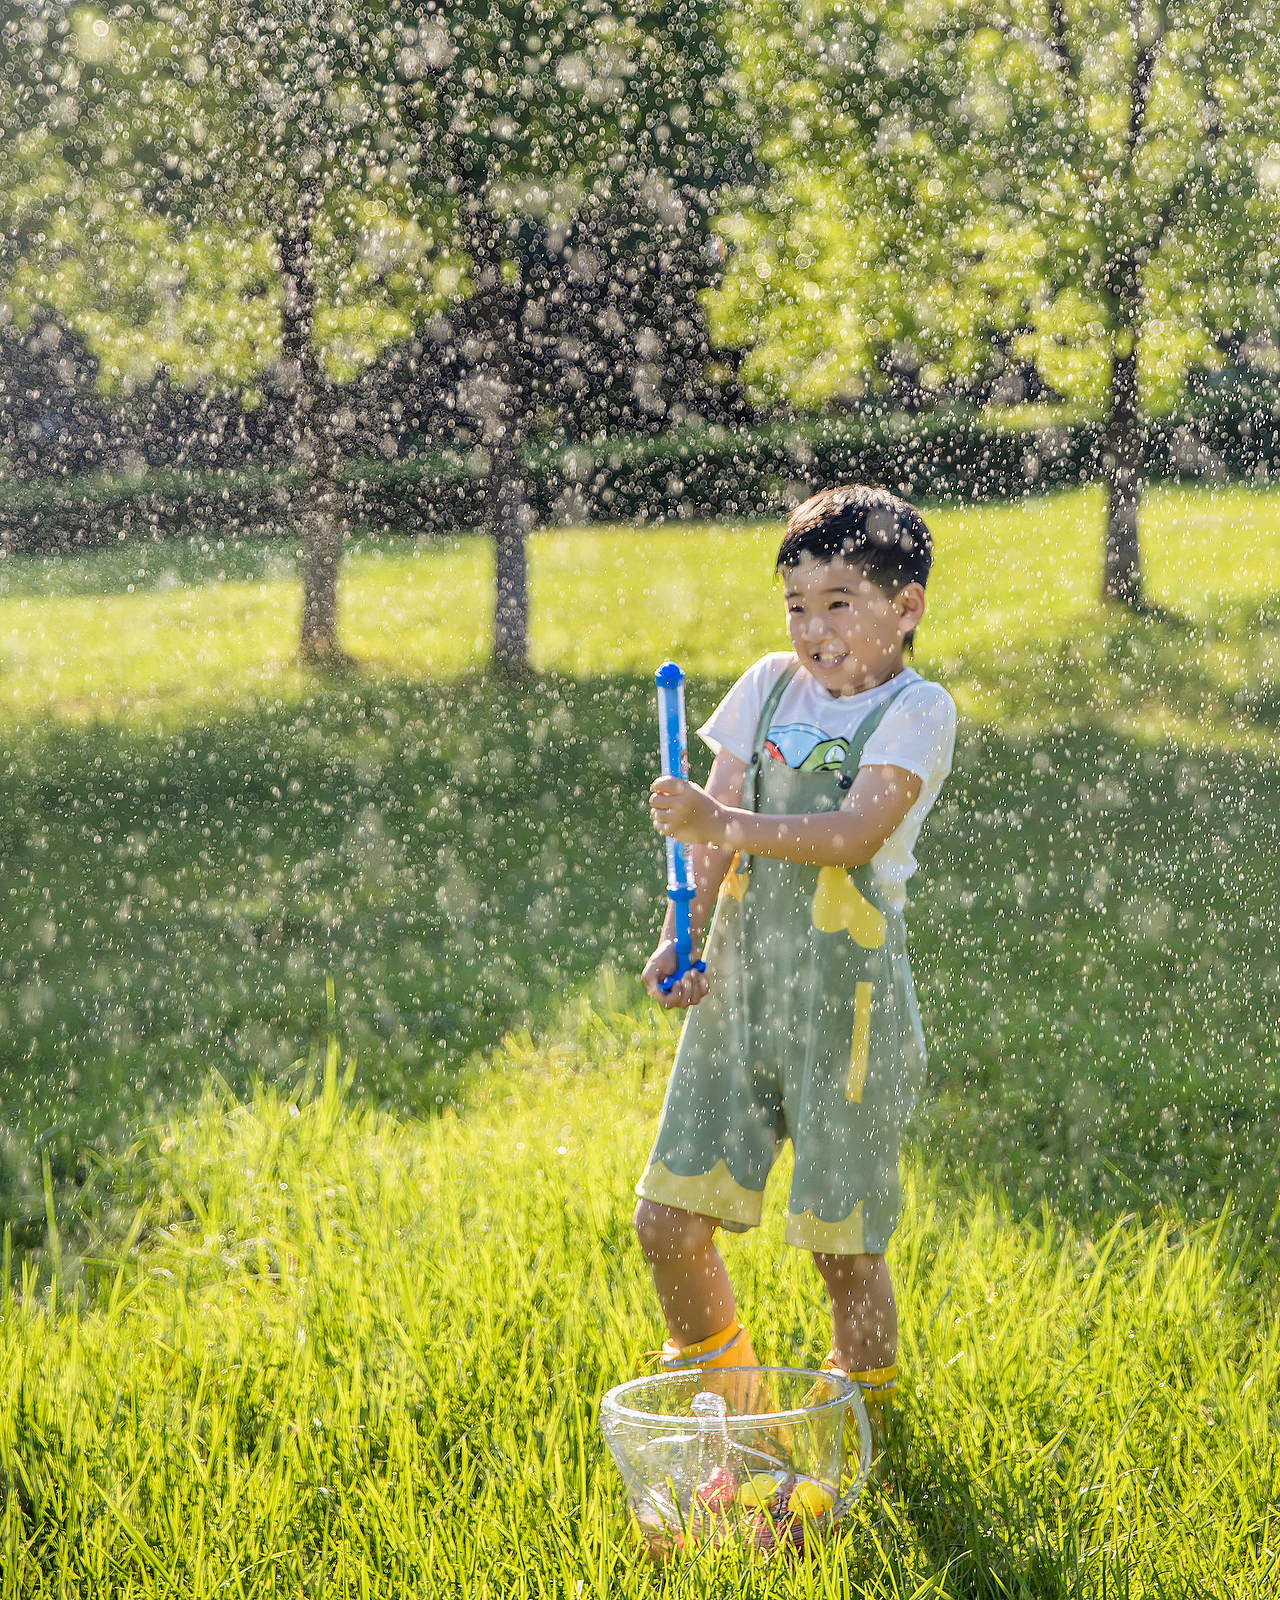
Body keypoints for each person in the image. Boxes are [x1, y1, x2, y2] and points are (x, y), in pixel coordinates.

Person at [634, 484, 956, 1444]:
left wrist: (721, 819)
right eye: (797, 605)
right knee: (667, 1222)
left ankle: (859, 1430)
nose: (814, 630)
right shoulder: (768, 685)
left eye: (840, 603)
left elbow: (854, 833)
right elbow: (710, 843)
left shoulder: (916, 708)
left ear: (906, 608)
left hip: (844, 1012)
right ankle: (727, 1418)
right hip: (736, 994)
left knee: (841, 1247)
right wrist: (678, 937)